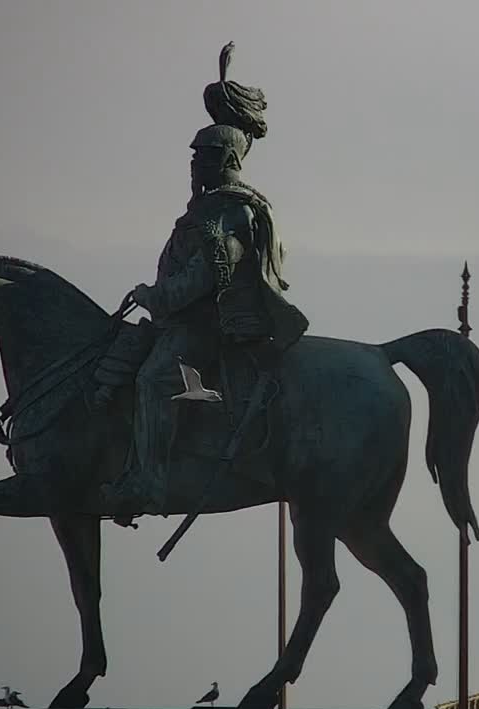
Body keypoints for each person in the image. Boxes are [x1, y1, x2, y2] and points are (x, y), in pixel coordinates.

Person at [107, 46, 306, 517]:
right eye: (195, 156)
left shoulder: (232, 210)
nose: (194, 164)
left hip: (207, 326)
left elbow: (206, 276)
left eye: (204, 156)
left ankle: (149, 484)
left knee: (156, 380)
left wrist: (154, 296)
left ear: (225, 158)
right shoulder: (210, 206)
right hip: (180, 321)